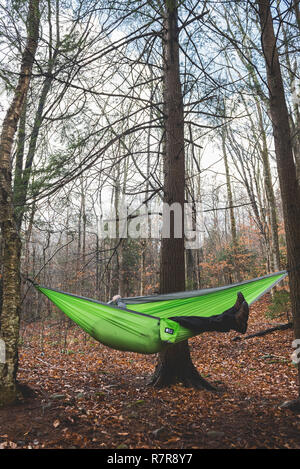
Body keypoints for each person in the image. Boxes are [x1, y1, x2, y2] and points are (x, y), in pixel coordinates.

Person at [170, 291, 249, 335]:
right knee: (207, 322)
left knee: (212, 319)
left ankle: (234, 311)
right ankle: (236, 321)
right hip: (164, 325)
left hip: (164, 321)